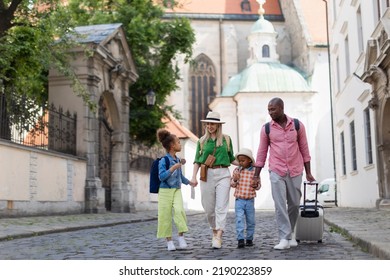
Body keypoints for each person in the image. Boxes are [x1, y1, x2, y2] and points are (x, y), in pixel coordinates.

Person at [252, 97, 315, 250]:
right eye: (268, 110)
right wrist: (256, 174)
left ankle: (291, 232)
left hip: (295, 169)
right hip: (276, 170)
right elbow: (261, 152)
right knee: (280, 205)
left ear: (281, 108)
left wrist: (308, 172)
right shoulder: (266, 128)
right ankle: (283, 237)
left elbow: (304, 149)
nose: (270, 112)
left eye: (273, 109)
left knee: (294, 203)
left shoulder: (298, 125)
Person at [191, 111, 237, 249]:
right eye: (208, 124)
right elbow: (197, 161)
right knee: (209, 208)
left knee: (221, 206)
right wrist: (193, 177)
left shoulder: (226, 140)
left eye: (213, 124)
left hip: (223, 173)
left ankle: (218, 236)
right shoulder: (201, 141)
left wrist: (246, 163)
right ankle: (214, 230)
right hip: (207, 174)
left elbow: (231, 158)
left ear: (218, 125)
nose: (210, 126)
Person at [156, 129, 196, 251]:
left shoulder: (178, 160)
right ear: (172, 146)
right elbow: (161, 177)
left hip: (176, 190)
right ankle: (169, 242)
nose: (180, 144)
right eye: (178, 142)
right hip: (165, 191)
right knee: (165, 215)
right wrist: (172, 168)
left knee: (179, 211)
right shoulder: (164, 160)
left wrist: (190, 182)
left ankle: (181, 237)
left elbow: (180, 177)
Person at [230, 148, 261, 248]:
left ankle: (249, 239)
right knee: (239, 219)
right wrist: (235, 179)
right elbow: (232, 184)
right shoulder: (237, 170)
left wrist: (255, 185)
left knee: (251, 220)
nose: (241, 162)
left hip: (250, 200)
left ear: (249, 160)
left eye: (243, 160)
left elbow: (259, 186)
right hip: (239, 200)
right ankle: (240, 239)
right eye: (240, 161)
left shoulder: (254, 172)